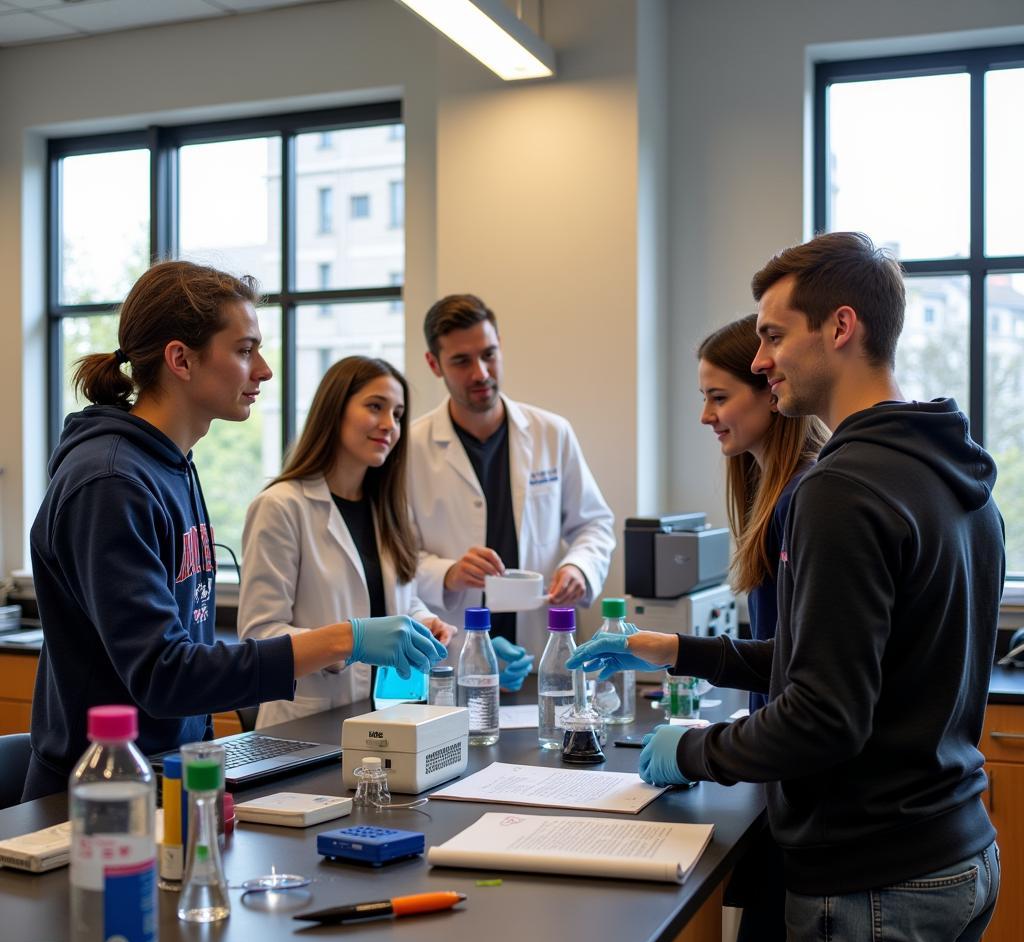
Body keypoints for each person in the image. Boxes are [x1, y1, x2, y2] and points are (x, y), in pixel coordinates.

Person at [569, 232, 1003, 942]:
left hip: (872, 877)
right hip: (957, 853)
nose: (762, 362)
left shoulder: (840, 489)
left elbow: (825, 717)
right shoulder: (954, 469)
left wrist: (693, 751)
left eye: (773, 336)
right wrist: (682, 652)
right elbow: (842, 659)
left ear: (840, 329)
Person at [24, 261, 445, 800]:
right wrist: (348, 638)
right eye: (245, 350)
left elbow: (185, 656)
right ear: (181, 359)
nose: (264, 370)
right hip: (96, 798)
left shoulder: (172, 465)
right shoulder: (109, 482)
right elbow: (164, 673)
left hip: (165, 776)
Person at [698, 314, 828, 942]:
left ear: (767, 393)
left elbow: (801, 671)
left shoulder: (807, 499)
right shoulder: (769, 493)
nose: (705, 415)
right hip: (784, 778)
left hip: (807, 788)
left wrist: (699, 750)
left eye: (719, 396)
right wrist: (679, 652)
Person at [238, 356, 456, 727]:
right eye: (375, 407)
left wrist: (422, 621)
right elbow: (261, 637)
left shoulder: (388, 507)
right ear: (334, 410)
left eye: (399, 414)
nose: (390, 425)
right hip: (306, 725)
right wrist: (349, 641)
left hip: (389, 721)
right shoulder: (281, 506)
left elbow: (395, 596)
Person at [408, 293, 615, 682]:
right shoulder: (409, 448)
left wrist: (579, 567)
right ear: (434, 364)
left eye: (489, 354)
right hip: (452, 655)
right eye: (461, 361)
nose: (481, 373)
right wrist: (448, 572)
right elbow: (395, 559)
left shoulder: (551, 433)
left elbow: (594, 524)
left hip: (543, 651)